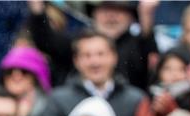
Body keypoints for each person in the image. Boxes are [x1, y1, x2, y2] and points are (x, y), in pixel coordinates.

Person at [33, 29, 146, 116]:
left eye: (101, 54)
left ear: (114, 57)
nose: (94, 62)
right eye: (86, 55)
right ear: (76, 61)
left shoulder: (135, 100)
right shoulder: (58, 99)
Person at [26, 0, 157, 90]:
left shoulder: (139, 45)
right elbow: (46, 40)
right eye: (105, 11)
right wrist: (37, 10)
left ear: (130, 17)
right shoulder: (77, 41)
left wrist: (146, 16)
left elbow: (150, 58)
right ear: (94, 15)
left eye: (118, 12)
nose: (111, 17)